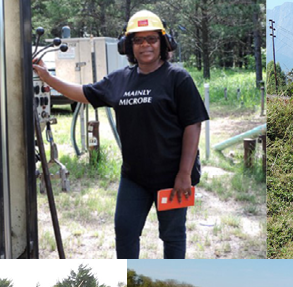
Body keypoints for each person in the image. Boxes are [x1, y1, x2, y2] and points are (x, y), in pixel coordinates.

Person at [33, 10, 209, 259]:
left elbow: (194, 125)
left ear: (164, 43)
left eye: (152, 39)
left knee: (172, 236)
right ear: (128, 46)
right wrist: (49, 78)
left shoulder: (177, 78)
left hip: (172, 177)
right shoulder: (119, 80)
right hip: (134, 177)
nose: (145, 45)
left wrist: (183, 174)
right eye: (138, 40)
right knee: (125, 231)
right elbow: (83, 92)